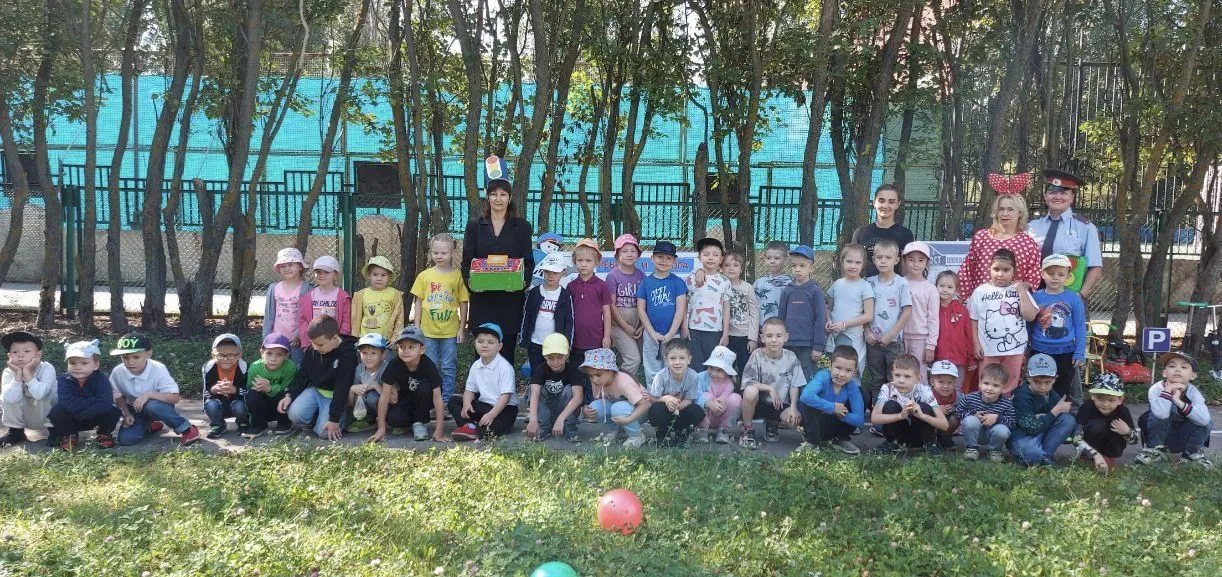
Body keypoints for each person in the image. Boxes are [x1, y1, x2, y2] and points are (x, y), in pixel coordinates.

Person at [462, 156, 534, 365]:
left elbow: (528, 262)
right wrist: (472, 284)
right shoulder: (474, 226)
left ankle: (505, 387)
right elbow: (466, 262)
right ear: (487, 196)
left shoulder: (522, 227)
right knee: (483, 351)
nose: (498, 199)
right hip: (483, 299)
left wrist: (520, 284)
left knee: (506, 351)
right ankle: (481, 386)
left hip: (510, 300)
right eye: (493, 194)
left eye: (503, 194)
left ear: (510, 198)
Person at [410, 232, 470, 407]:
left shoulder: (457, 276)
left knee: (448, 367)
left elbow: (463, 302)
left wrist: (461, 328)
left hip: (450, 331)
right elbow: (418, 302)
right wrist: (417, 327)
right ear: (430, 252)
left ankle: (446, 402)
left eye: (444, 253)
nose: (439, 256)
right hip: (428, 332)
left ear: (452, 253)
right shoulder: (424, 276)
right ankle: (431, 402)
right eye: (435, 252)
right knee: (430, 366)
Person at [109, 333, 201, 446]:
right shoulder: (118, 371)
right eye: (125, 357)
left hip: (159, 407)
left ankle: (187, 429)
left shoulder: (158, 369)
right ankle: (150, 426)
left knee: (151, 405)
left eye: (136, 357)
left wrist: (149, 394)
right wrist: (126, 414)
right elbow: (117, 396)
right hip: (135, 410)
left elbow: (175, 398)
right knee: (126, 440)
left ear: (148, 354)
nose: (130, 362)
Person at [967, 249, 1039, 393]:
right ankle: (986, 405)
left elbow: (1030, 316)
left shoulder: (1019, 290)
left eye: (1006, 270)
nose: (1000, 274)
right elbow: (973, 319)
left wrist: (1021, 291)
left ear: (1014, 271)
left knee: (1010, 382)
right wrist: (976, 344)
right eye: (996, 269)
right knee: (987, 382)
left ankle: (1006, 406)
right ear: (989, 269)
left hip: (1015, 349)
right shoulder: (980, 291)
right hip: (987, 349)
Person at [282, 316, 360, 441]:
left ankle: (344, 417)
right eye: (312, 343)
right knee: (294, 414)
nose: (315, 347)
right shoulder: (312, 350)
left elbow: (342, 388)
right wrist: (289, 394)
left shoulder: (348, 355)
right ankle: (319, 417)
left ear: (335, 338)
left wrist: (334, 419)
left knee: (324, 433)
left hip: (336, 396)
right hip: (316, 391)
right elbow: (302, 376)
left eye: (320, 344)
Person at [1028, 169, 1103, 298]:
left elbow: (1095, 267)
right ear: (1045, 196)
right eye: (1052, 192)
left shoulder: (1086, 228)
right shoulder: (1031, 227)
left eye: (1064, 193)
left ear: (1072, 197)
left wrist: (1081, 295)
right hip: (1032, 296)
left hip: (1067, 297)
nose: (1057, 197)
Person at [369, 326, 449, 443]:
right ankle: (410, 422)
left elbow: (437, 397)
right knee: (394, 420)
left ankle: (420, 422)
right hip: (406, 400)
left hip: (425, 398)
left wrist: (439, 430)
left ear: (422, 349)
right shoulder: (394, 365)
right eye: (402, 347)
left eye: (411, 347)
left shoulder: (428, 365)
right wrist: (381, 429)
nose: (406, 351)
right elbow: (384, 396)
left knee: (424, 387)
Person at [1135, 352, 1213, 468]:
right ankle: (1153, 450)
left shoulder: (1194, 392)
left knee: (1206, 421)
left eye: (1184, 367)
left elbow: (1204, 420)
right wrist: (1168, 390)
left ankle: (1191, 454)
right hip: (1162, 437)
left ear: (1193, 375)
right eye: (1172, 366)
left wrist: (1178, 401)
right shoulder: (1156, 389)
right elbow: (1161, 414)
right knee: (1154, 415)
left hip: (1183, 436)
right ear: (1165, 373)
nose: (1177, 369)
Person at [957, 191, 1042, 299]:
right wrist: (962, 299)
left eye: (1010, 209)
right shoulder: (981, 237)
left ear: (1020, 213)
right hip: (980, 302)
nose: (1005, 213)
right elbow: (967, 271)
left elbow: (1033, 278)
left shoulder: (1027, 243)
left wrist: (1022, 288)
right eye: (1001, 209)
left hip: (1011, 305)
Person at [739, 317, 807, 448]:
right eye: (769, 336)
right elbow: (748, 383)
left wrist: (793, 407)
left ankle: (772, 423)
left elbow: (795, 385)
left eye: (779, 336)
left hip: (778, 404)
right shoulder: (757, 355)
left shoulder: (791, 357)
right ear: (762, 338)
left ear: (786, 337)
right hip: (757, 403)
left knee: (794, 419)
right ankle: (747, 429)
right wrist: (770, 388)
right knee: (750, 391)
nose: (774, 340)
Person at [1029, 254, 1087, 405]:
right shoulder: (1035, 297)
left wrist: (1080, 352)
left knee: (1062, 388)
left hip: (1066, 352)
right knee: (1039, 386)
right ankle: (1039, 414)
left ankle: (1059, 415)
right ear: (1042, 274)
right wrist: (1025, 347)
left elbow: (1080, 326)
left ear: (1068, 276)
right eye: (1050, 273)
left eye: (1060, 274)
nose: (1055, 278)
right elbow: (1029, 324)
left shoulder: (1074, 299)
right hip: (1040, 349)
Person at [47, 340, 121, 450]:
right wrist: (93, 400)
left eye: (84, 363)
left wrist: (86, 412)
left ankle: (104, 433)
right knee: (57, 412)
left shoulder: (102, 379)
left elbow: (105, 402)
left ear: (96, 364)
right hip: (73, 417)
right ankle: (69, 434)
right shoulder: (64, 380)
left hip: (95, 416)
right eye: (72, 363)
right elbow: (67, 402)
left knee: (112, 411)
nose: (77, 367)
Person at [450, 323, 519, 441]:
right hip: (484, 405)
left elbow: (506, 396)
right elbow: (470, 390)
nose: (485, 345)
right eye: (480, 341)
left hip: (504, 409)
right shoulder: (476, 365)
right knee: (454, 402)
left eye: (490, 342)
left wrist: (491, 415)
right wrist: (466, 403)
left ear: (499, 346)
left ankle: (477, 429)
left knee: (488, 430)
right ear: (475, 344)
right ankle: (470, 426)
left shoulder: (505, 367)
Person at [870, 354, 948, 455]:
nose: (901, 380)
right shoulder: (887, 388)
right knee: (891, 405)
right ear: (892, 374)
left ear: (918, 378)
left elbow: (944, 425)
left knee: (923, 407)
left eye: (907, 376)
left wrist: (922, 416)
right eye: (897, 375)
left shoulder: (925, 390)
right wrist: (900, 415)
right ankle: (892, 443)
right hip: (900, 435)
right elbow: (874, 418)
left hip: (920, 434)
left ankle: (929, 445)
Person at [864, 239, 911, 407]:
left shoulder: (901, 283)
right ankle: (877, 414)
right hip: (873, 342)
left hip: (893, 342)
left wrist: (891, 335)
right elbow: (863, 311)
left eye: (888, 257)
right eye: (879, 257)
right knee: (876, 379)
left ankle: (895, 412)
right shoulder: (868, 282)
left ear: (896, 260)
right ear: (874, 259)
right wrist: (867, 331)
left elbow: (907, 312)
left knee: (895, 379)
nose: (883, 261)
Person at [796, 344, 866, 455]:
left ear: (854, 371)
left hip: (837, 422)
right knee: (809, 402)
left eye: (848, 370)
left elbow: (859, 420)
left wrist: (842, 415)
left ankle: (841, 439)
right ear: (830, 366)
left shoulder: (851, 386)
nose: (842, 374)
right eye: (838, 368)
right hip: (817, 425)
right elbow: (805, 396)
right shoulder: (823, 376)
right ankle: (812, 443)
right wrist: (832, 407)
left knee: (863, 393)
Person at [636, 241, 688, 386]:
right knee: (652, 369)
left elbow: (680, 309)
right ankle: (654, 396)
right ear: (652, 258)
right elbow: (641, 309)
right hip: (651, 334)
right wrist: (652, 332)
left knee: (673, 367)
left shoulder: (678, 282)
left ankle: (672, 396)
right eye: (660, 257)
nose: (664, 261)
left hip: (673, 334)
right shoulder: (646, 282)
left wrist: (671, 333)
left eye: (668, 258)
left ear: (674, 261)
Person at [1009, 354, 1076, 466]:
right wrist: (1055, 411)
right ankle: (1036, 456)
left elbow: (1067, 421)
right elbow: (1031, 428)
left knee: (1068, 419)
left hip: (1041, 432)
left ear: (1055, 379)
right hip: (1021, 437)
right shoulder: (1021, 396)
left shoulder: (1053, 395)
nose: (1042, 387)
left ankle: (1045, 455)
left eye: (1047, 382)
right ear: (1028, 378)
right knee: (1032, 455)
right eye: (1037, 382)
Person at [580, 348, 652, 449]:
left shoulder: (624, 382)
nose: (594, 379)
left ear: (610, 371)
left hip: (642, 412)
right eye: (591, 376)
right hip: (624, 410)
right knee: (594, 407)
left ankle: (636, 435)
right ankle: (617, 430)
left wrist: (628, 419)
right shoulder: (598, 382)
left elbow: (645, 405)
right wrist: (585, 409)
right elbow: (600, 401)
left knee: (617, 408)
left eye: (598, 375)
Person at [778, 245, 827, 382]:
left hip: (807, 345)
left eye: (802, 266)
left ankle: (805, 397)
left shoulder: (815, 291)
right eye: (794, 266)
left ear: (811, 268)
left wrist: (818, 347)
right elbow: (781, 318)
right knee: (787, 377)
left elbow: (820, 320)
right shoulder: (787, 290)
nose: (797, 269)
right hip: (788, 344)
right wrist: (780, 340)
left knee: (806, 379)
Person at [524, 333, 585, 443]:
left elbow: (578, 397)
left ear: (567, 354)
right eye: (551, 358)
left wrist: (560, 419)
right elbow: (535, 393)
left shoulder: (573, 370)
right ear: (544, 356)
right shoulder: (541, 369)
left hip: (565, 413)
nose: (555, 362)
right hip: (547, 410)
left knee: (570, 390)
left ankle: (570, 427)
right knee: (532, 389)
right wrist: (532, 420)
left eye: (560, 357)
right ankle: (544, 426)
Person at [521, 253, 575, 374]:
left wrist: (567, 344)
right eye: (547, 272)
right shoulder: (534, 292)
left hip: (556, 345)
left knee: (555, 375)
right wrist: (524, 339)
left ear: (563, 272)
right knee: (536, 373)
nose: (551, 276)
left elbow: (569, 321)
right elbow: (526, 316)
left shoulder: (565, 295)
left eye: (555, 273)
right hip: (535, 343)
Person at [1, 330, 57, 447]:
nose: (20, 355)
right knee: (6, 395)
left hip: (47, 416)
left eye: (27, 351)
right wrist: (18, 375)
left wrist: (26, 372)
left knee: (47, 393)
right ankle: (16, 432)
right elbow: (10, 399)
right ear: (9, 356)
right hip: (25, 416)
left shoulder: (47, 368)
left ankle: (55, 432)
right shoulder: (9, 372)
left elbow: (40, 394)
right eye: (15, 352)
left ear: (38, 355)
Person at [1073, 373, 1137, 474]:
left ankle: (1108, 458)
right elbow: (1075, 438)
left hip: (1111, 446)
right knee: (1096, 426)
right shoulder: (1087, 407)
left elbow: (1135, 440)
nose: (1105, 404)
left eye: (1111, 400)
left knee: (1117, 428)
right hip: (1090, 447)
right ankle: (1087, 458)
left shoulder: (1123, 411)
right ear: (1093, 396)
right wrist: (1094, 454)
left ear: (1120, 400)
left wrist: (1128, 432)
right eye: (1100, 399)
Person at [825, 243, 873, 377]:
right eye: (849, 261)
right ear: (842, 262)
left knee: (851, 372)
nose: (853, 266)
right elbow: (828, 308)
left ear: (863, 264)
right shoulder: (837, 284)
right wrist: (828, 320)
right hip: (835, 335)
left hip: (853, 337)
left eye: (858, 262)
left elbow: (868, 315)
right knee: (835, 371)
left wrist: (844, 324)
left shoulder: (865, 286)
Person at [646, 338, 705, 446]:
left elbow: (689, 399)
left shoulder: (693, 376)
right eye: (672, 358)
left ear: (689, 359)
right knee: (656, 410)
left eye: (682, 358)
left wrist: (678, 407)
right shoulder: (661, 376)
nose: (677, 362)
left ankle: (682, 434)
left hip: (681, 411)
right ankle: (663, 435)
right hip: (665, 411)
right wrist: (666, 399)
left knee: (697, 411)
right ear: (666, 360)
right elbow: (653, 398)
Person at [952, 363, 1016, 462]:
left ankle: (994, 450)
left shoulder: (1006, 403)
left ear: (1003, 388)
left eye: (995, 385)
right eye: (986, 383)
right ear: (980, 383)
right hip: (974, 431)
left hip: (993, 433)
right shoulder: (970, 398)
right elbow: (958, 411)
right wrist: (973, 415)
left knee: (1003, 431)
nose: (989, 388)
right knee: (970, 420)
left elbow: (1012, 423)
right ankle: (971, 448)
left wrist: (998, 418)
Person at [683, 237, 731, 368]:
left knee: (712, 366)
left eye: (715, 255)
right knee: (695, 365)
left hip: (715, 331)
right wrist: (684, 326)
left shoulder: (725, 282)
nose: (710, 258)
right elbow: (685, 304)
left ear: (721, 259)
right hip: (694, 329)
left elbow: (726, 308)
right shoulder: (691, 279)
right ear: (699, 257)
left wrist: (725, 333)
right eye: (706, 254)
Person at [851, 184, 915, 278]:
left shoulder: (905, 234)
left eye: (891, 202)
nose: (885, 205)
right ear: (874, 203)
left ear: (898, 204)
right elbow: (853, 264)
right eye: (881, 201)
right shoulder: (861, 232)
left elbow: (905, 270)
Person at [567, 238, 613, 365]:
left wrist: (607, 336)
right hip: (575, 342)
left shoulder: (602, 286)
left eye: (588, 261)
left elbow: (607, 313)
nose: (584, 264)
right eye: (580, 260)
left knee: (594, 373)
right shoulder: (571, 286)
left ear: (596, 262)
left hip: (596, 341)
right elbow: (567, 315)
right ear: (574, 261)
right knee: (576, 373)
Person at [606, 234, 645, 377]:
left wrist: (642, 326)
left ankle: (640, 385)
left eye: (633, 251)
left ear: (638, 254)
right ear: (617, 255)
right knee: (633, 359)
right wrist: (625, 326)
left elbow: (644, 303)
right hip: (618, 324)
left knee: (646, 356)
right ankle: (621, 387)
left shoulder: (641, 276)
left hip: (638, 323)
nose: (629, 254)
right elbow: (611, 305)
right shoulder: (613, 276)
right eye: (625, 251)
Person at [244, 333, 298, 438]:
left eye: (279, 354)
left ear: (286, 355)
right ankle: (259, 425)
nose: (273, 358)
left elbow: (289, 389)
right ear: (262, 353)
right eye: (269, 353)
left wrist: (270, 388)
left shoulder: (290, 368)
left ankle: (284, 423)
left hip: (280, 407)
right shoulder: (254, 368)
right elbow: (249, 389)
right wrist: (261, 389)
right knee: (252, 395)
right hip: (262, 406)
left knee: (286, 395)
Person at [264, 247, 310, 365]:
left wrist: (299, 333)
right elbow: (269, 315)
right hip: (277, 337)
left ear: (300, 266)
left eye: (290, 264)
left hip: (297, 339)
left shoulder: (306, 289)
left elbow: (308, 316)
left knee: (297, 366)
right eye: (283, 266)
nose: (286, 268)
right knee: (277, 365)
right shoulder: (274, 288)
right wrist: (267, 338)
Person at [297, 255, 351, 355]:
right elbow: (303, 321)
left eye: (326, 272)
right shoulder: (308, 297)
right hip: (314, 345)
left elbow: (346, 322)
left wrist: (340, 342)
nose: (322, 275)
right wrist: (306, 344)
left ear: (335, 274)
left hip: (335, 344)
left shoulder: (343, 297)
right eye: (318, 272)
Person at [901, 242, 939, 380]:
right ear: (904, 261)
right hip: (899, 337)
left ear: (927, 263)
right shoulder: (899, 283)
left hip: (920, 339)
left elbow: (933, 319)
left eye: (921, 260)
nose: (916, 264)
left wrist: (931, 346)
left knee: (918, 374)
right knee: (899, 372)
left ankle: (920, 395)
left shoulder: (931, 289)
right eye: (911, 259)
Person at [201, 333, 249, 439]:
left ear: (239, 355)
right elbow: (205, 393)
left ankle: (243, 423)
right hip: (219, 403)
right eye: (220, 355)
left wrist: (235, 390)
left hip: (237, 402)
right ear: (213, 355)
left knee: (240, 406)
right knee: (210, 404)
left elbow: (249, 392)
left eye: (231, 355)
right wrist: (213, 390)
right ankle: (218, 424)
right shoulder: (208, 368)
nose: (225, 359)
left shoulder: (244, 368)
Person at [933, 271, 975, 392]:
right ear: (935, 286)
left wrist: (971, 358)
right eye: (941, 286)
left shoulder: (962, 310)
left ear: (956, 290)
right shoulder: (932, 308)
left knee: (957, 390)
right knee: (940, 389)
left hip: (959, 359)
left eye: (950, 287)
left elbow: (968, 336)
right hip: (939, 358)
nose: (945, 290)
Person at [694, 345, 742, 444]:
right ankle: (702, 429)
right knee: (707, 396)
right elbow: (695, 395)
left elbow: (724, 399)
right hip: (703, 415)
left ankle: (724, 429)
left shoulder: (729, 384)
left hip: (720, 415)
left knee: (736, 398)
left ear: (727, 372)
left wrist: (720, 403)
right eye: (711, 367)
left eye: (719, 370)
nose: (713, 373)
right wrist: (708, 403)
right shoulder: (700, 377)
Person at [722, 250, 759, 379]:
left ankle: (745, 390)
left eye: (735, 265)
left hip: (745, 336)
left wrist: (753, 338)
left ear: (741, 268)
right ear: (721, 268)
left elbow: (754, 313)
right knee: (726, 369)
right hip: (727, 335)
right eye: (727, 265)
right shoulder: (720, 286)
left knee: (745, 369)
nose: (731, 268)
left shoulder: (747, 287)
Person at [351, 256, 405, 342]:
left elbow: (399, 319)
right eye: (375, 275)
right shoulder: (360, 295)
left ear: (389, 276)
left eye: (383, 275)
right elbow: (355, 320)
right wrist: (355, 338)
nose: (379, 278)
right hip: (365, 339)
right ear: (369, 275)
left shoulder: (395, 295)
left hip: (386, 340)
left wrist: (395, 338)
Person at [346, 333, 390, 433]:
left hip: (385, 407)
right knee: (358, 394)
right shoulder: (359, 369)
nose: (368, 357)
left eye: (373, 353)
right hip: (363, 406)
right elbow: (349, 403)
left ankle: (382, 420)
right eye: (364, 353)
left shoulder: (386, 369)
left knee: (372, 397)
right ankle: (365, 419)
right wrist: (352, 389)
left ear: (383, 354)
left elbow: (394, 399)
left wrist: (376, 386)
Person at [753, 241, 793, 323]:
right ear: (764, 260)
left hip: (781, 327)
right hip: (761, 326)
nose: (772, 261)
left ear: (785, 260)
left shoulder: (789, 284)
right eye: (768, 258)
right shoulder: (759, 283)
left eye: (776, 258)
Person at [928, 360, 961, 450]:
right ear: (932, 382)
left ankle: (945, 438)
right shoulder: (927, 393)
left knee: (957, 416)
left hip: (948, 422)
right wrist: (935, 409)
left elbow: (966, 406)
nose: (945, 386)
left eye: (949, 383)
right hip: (931, 423)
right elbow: (920, 408)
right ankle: (931, 440)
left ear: (955, 383)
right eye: (941, 382)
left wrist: (954, 408)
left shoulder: (958, 396)